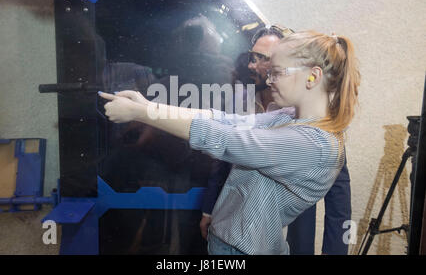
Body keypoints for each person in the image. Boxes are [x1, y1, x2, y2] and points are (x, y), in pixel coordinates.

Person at [98, 30, 360, 255]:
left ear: (312, 77)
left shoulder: (312, 143)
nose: (269, 80)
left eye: (277, 73)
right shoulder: (292, 117)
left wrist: (142, 114)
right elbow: (224, 121)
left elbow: (223, 139)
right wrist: (148, 106)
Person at [200, 26, 353, 255]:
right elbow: (226, 152)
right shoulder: (242, 97)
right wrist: (210, 208)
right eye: (252, 57)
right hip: (236, 234)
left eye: (264, 59)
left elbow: (338, 200)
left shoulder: (315, 128)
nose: (253, 65)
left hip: (288, 236)